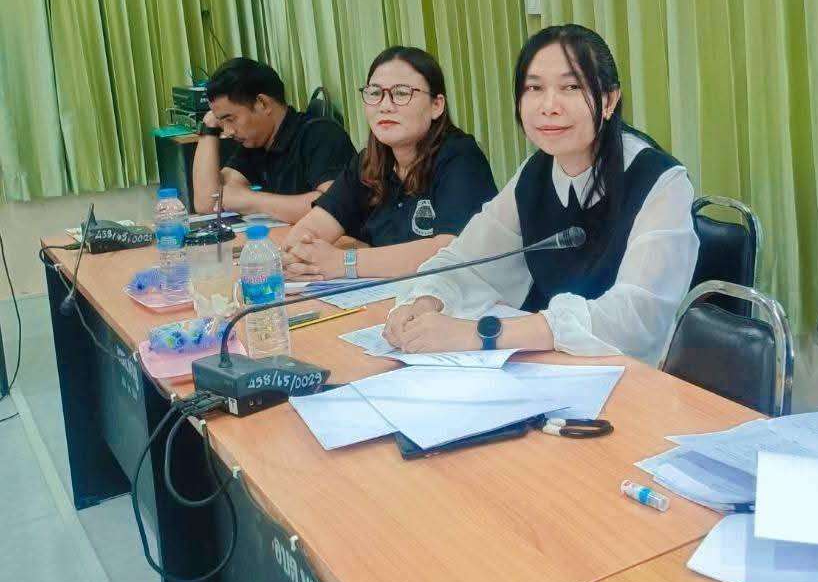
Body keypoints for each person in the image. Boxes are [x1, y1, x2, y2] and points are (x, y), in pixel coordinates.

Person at [382, 23, 698, 364]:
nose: (549, 106)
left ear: (609, 100)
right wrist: (424, 303)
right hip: (556, 365)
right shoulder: (535, 172)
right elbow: (466, 260)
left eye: (571, 87)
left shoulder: (661, 181)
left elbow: (636, 317)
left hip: (636, 374)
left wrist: (482, 334)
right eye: (534, 88)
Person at [280, 47, 497, 280]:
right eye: (375, 93)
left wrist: (344, 262)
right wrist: (299, 257)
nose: (385, 106)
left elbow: (450, 250)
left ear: (436, 105)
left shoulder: (461, 157)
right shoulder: (368, 163)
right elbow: (308, 232)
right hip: (386, 294)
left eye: (401, 93)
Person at [192, 58, 354, 224]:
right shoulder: (255, 142)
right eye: (222, 121)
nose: (227, 132)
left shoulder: (322, 134)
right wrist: (209, 128)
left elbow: (335, 205)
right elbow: (208, 203)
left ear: (262, 103)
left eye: (230, 119)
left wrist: (252, 201)